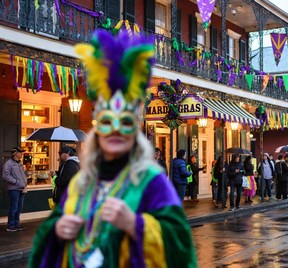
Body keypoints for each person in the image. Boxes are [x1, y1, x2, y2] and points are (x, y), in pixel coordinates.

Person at [28, 29, 197, 267]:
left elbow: (180, 246)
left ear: (135, 132)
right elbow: (47, 244)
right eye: (108, 122)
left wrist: (135, 225)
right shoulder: (82, 183)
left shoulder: (152, 182)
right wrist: (57, 231)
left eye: (126, 122)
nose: (116, 130)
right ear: (98, 129)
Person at [2, 147, 28, 232]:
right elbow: (5, 176)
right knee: (14, 207)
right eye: (20, 152)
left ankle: (17, 224)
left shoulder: (20, 163)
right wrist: (17, 182)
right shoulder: (8, 163)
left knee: (19, 207)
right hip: (14, 189)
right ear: (15, 153)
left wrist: (26, 176)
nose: (21, 154)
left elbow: (21, 174)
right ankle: (11, 225)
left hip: (22, 188)